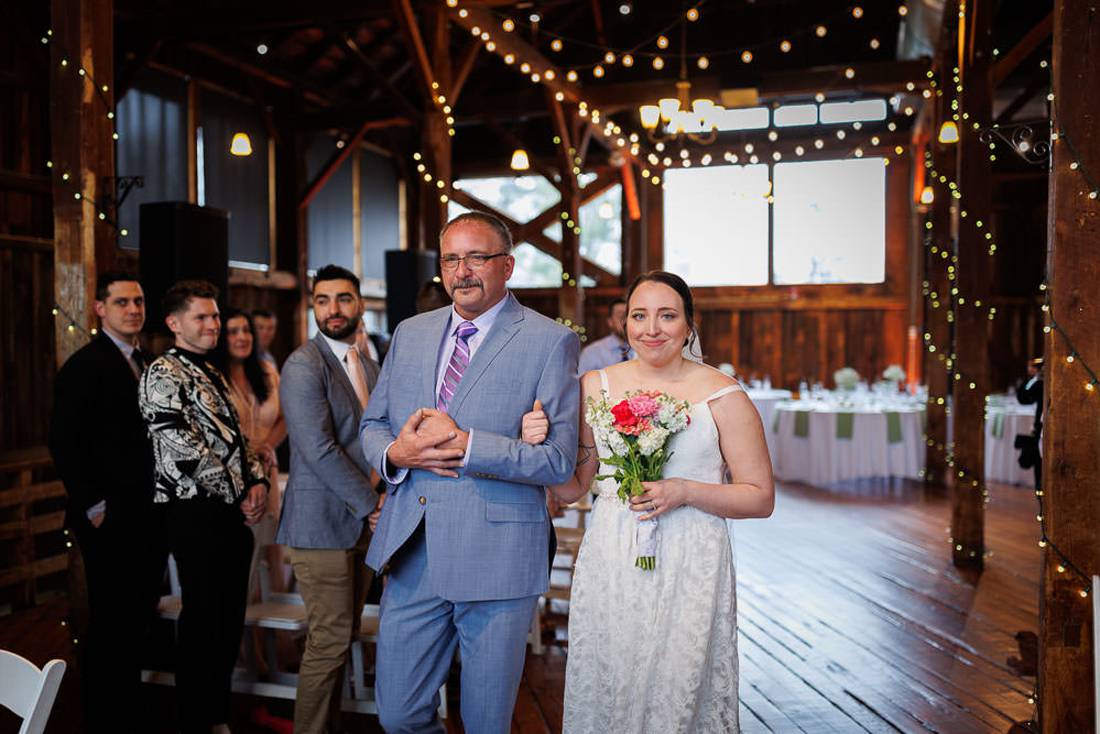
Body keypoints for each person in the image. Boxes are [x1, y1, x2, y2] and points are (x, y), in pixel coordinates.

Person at [525, 270, 774, 733]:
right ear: (625, 323)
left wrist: (685, 491)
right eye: (640, 315)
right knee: (612, 670)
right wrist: (537, 449)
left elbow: (760, 498)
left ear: (689, 325)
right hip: (613, 550)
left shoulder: (724, 395)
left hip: (692, 555)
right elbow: (573, 487)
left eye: (667, 315)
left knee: (680, 681)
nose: (651, 328)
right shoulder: (593, 386)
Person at [360, 211, 579, 733]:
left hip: (498, 553)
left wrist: (470, 446)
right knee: (398, 714)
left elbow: (557, 461)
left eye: (476, 257)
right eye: (452, 259)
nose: (462, 271)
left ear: (507, 265)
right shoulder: (410, 333)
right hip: (414, 551)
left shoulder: (549, 340)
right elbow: (372, 424)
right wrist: (397, 455)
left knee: (485, 721)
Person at [139, 280, 268, 734]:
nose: (214, 324)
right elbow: (183, 449)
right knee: (203, 621)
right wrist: (238, 490)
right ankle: (194, 719)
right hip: (193, 513)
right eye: (202, 317)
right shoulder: (162, 373)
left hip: (229, 513)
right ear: (175, 323)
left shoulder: (212, 371)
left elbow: (239, 437)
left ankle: (218, 714)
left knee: (229, 619)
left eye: (215, 316)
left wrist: (258, 481)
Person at [47, 271, 166, 734]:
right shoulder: (84, 366)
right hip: (107, 515)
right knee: (109, 619)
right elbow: (64, 441)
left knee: (139, 615)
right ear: (100, 309)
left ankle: (131, 707)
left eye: (138, 301)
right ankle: (102, 716)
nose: (133, 310)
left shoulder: (147, 360)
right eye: (122, 303)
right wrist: (93, 504)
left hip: (148, 511)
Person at [277, 264, 382, 734]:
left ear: (359, 303)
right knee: (329, 640)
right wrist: (373, 503)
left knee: (344, 636)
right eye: (322, 300)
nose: (333, 309)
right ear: (312, 306)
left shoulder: (371, 365)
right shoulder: (304, 364)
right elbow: (318, 449)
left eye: (342, 299)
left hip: (360, 522)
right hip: (320, 523)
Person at [214, 308, 288, 596]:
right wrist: (247, 448)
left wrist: (268, 443)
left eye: (246, 331)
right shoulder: (214, 377)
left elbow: (285, 417)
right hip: (231, 475)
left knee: (270, 554)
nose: (242, 337)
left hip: (266, 470)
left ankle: (269, 640)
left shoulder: (266, 371)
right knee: (239, 567)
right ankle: (244, 639)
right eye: (233, 331)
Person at [577, 297, 633, 374]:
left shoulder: (641, 349)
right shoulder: (591, 353)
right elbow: (580, 384)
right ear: (610, 322)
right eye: (620, 316)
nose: (625, 321)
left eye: (628, 316)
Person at [1016, 356, 1043, 489]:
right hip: (1039, 421)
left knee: (1039, 456)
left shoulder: (1039, 382)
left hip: (1041, 422)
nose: (1029, 369)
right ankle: (1039, 486)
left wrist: (1035, 379)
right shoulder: (1036, 381)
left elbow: (1024, 397)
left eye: (1031, 366)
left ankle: (1039, 486)